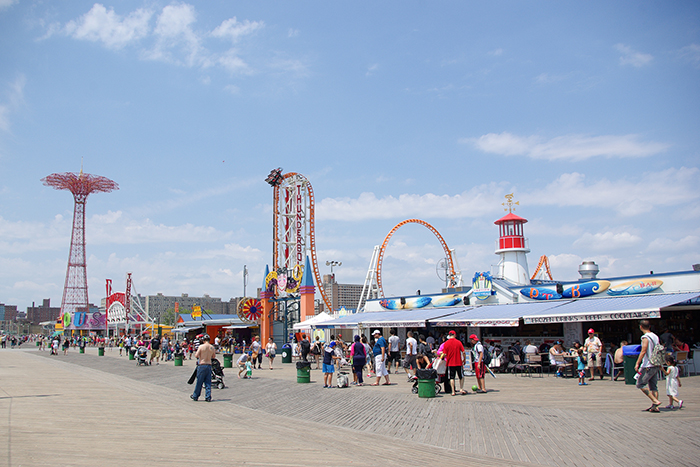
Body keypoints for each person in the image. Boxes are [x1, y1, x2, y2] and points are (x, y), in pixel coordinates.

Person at [635, 319, 662, 413]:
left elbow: (643, 350)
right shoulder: (655, 336)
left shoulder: (645, 337)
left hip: (648, 364)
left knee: (640, 384)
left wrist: (637, 363)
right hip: (655, 363)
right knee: (653, 386)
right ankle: (655, 407)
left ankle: (655, 401)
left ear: (641, 327)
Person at [190, 334, 215, 402]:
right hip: (209, 365)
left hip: (202, 364)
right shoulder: (212, 347)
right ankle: (208, 396)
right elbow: (213, 356)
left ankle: (195, 395)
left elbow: (196, 355)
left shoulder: (201, 346)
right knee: (208, 382)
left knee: (199, 382)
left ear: (203, 340)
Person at [443, 330, 467, 395]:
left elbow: (444, 354)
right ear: (455, 335)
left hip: (450, 363)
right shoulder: (459, 342)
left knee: (451, 377)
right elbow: (464, 352)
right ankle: (461, 389)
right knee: (461, 376)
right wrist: (464, 359)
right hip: (459, 362)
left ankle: (453, 391)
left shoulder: (446, 343)